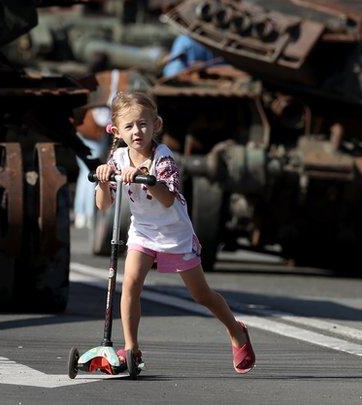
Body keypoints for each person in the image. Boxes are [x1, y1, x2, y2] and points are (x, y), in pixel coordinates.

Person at [93, 91, 255, 373]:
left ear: (156, 125)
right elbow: (104, 205)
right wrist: (104, 180)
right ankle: (131, 348)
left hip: (174, 235)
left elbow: (168, 199)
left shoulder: (163, 158)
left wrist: (147, 178)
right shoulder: (118, 157)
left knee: (201, 294)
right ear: (117, 131)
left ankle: (236, 330)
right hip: (142, 232)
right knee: (130, 285)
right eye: (129, 126)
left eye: (143, 124)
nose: (137, 131)